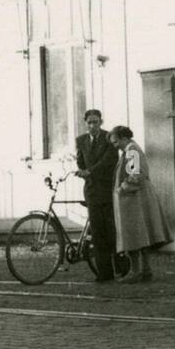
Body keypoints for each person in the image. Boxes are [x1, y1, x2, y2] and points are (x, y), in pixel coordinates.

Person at [108, 125, 170, 282]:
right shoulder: (130, 150)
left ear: (124, 138)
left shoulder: (131, 150)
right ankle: (145, 269)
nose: (115, 146)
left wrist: (121, 189)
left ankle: (136, 272)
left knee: (133, 235)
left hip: (133, 199)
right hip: (137, 197)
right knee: (141, 235)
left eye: (116, 142)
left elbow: (136, 174)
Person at [75, 108, 118, 282]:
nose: (92, 125)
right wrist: (83, 171)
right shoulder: (81, 140)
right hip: (92, 192)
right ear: (86, 124)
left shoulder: (109, 138)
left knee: (112, 232)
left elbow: (109, 161)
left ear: (101, 122)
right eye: (89, 122)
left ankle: (121, 268)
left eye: (96, 122)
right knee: (98, 234)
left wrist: (89, 172)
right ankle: (104, 273)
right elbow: (80, 161)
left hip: (107, 191)